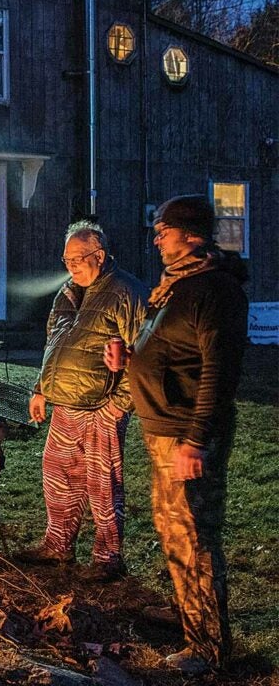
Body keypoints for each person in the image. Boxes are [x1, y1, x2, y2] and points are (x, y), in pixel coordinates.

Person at [121, 194, 248, 676]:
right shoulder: (176, 286)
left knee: (194, 538)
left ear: (191, 234)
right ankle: (194, 636)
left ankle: (210, 649)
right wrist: (130, 362)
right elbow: (171, 353)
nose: (156, 239)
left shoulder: (214, 291)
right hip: (164, 430)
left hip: (186, 435)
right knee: (175, 535)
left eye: (163, 230)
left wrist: (196, 439)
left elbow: (218, 371)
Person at [21, 220, 148, 580]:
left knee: (102, 482)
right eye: (66, 259)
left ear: (100, 255)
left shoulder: (126, 292)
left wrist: (119, 404)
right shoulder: (67, 293)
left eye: (78, 258)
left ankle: (108, 558)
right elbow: (54, 346)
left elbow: (145, 351)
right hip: (66, 405)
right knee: (57, 473)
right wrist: (40, 387)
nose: (71, 266)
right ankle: (58, 544)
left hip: (102, 407)